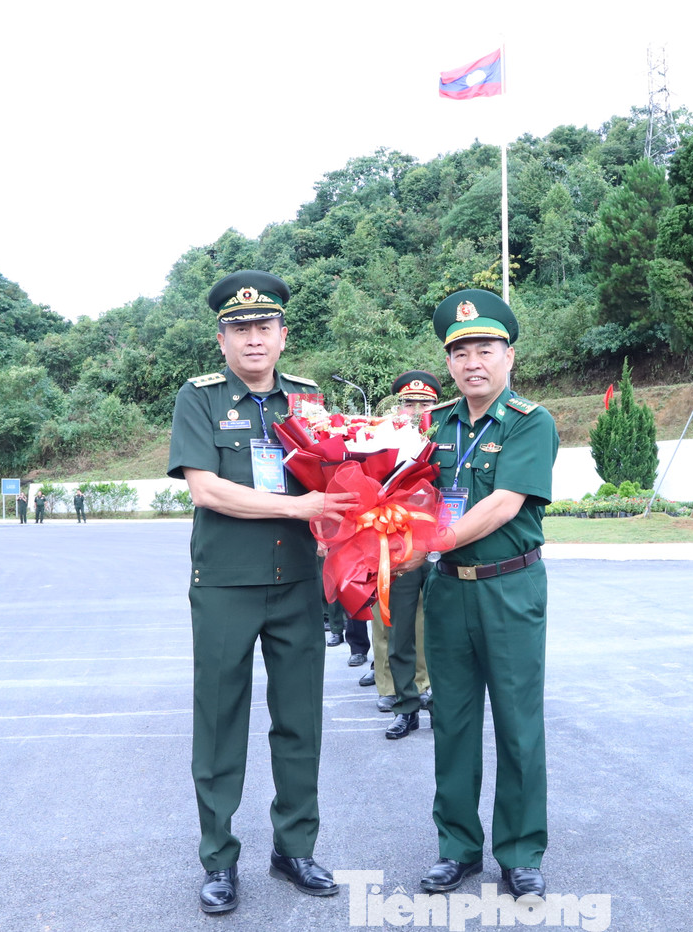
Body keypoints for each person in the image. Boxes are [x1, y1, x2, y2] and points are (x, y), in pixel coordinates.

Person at [166, 270, 355, 914]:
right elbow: (206, 490)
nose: (253, 340)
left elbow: (337, 480)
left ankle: (294, 847)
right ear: (222, 340)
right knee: (220, 721)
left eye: (264, 328)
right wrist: (299, 508)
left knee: (300, 718)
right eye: (240, 329)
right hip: (225, 584)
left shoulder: (308, 400)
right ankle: (218, 859)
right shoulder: (198, 399)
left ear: (282, 336)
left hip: (299, 582)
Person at [412, 289, 559, 899]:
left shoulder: (532, 422)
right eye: (462, 351)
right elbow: (406, 495)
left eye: (487, 349)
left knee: (519, 725)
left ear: (509, 356)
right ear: (448, 362)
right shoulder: (434, 426)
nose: (474, 361)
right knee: (453, 722)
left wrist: (426, 543)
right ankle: (457, 847)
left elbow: (502, 506)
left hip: (510, 588)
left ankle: (521, 852)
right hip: (447, 593)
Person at [371, 370, 441, 736]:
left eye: (424, 403)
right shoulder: (382, 438)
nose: (416, 409)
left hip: (443, 543)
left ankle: (437, 699)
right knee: (398, 629)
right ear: (399, 405)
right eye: (409, 402)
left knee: (439, 628)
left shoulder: (447, 433)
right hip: (398, 544)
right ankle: (406, 705)